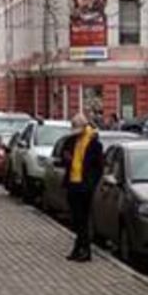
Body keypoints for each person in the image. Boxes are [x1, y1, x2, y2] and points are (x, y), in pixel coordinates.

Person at [57, 112, 105, 262]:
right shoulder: (71, 141)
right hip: (73, 184)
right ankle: (79, 249)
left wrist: (92, 183)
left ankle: (85, 250)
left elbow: (99, 167)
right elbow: (63, 156)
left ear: (85, 127)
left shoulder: (94, 144)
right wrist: (66, 159)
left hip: (85, 186)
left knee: (83, 219)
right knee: (76, 220)